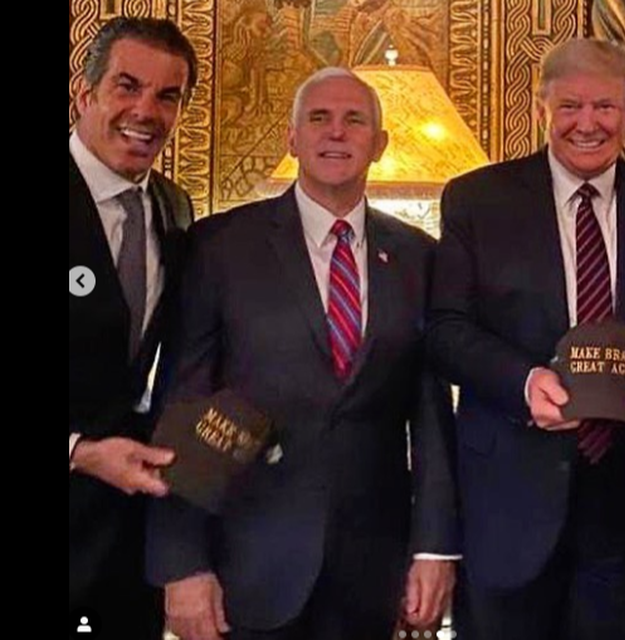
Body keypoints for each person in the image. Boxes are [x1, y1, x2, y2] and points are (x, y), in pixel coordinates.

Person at [146, 67, 459, 640]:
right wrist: (181, 563)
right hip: (248, 563)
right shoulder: (220, 247)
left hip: (373, 571)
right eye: (319, 118)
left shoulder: (420, 256)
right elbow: (183, 405)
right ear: (292, 139)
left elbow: (431, 415)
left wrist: (434, 549)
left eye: (354, 120)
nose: (336, 132)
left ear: (380, 144)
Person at [427, 38, 625, 640]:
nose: (588, 123)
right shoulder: (477, 200)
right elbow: (447, 329)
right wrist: (523, 382)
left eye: (605, 106)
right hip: (508, 497)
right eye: (570, 106)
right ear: (542, 109)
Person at [68, 16, 198, 640]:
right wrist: (79, 452)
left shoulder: (175, 209)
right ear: (84, 93)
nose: (146, 111)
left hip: (125, 540)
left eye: (167, 96)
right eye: (127, 86)